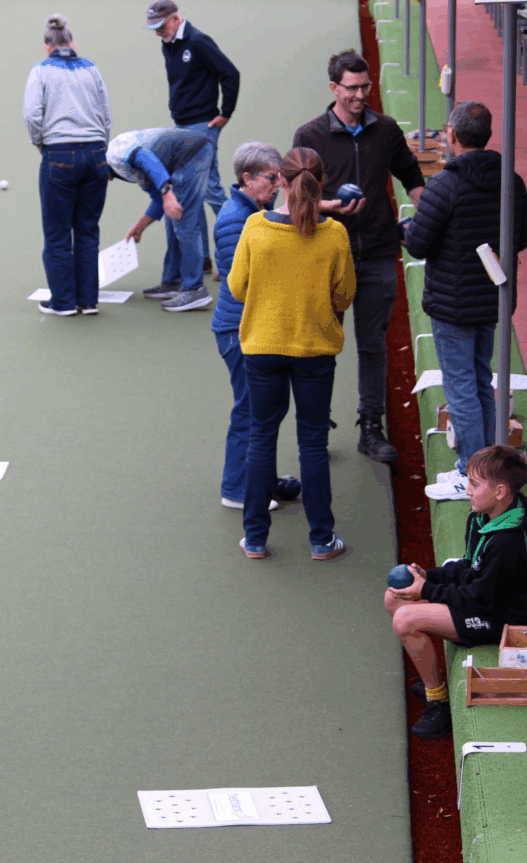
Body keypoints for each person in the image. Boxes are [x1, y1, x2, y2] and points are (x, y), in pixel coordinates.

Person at [293, 49, 424, 464]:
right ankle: (317, 424)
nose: (360, 95)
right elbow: (297, 201)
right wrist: (332, 207)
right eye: (352, 88)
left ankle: (371, 427)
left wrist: (441, 218)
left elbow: (412, 179)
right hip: (327, 259)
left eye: (365, 86)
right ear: (334, 87)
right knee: (321, 347)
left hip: (380, 254)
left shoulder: (385, 130)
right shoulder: (309, 136)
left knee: (372, 346)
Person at [228, 147, 356, 560]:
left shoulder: (255, 226)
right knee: (313, 444)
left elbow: (236, 288)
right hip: (315, 351)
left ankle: (256, 538)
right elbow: (345, 294)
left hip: (263, 348)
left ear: (280, 180)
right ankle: (321, 539)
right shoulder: (334, 234)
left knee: (261, 437)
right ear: (322, 183)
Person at [404, 102, 527, 501]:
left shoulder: (445, 184)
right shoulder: (511, 180)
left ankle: (472, 475)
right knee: (479, 382)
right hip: (492, 299)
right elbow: (520, 236)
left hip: (454, 305)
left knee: (462, 388)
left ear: (452, 136)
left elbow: (419, 243)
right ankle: (487, 468)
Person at [385, 446, 527, 738]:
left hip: (505, 620)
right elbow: (469, 567)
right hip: (484, 600)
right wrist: (429, 576)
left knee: (405, 620)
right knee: (394, 598)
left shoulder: (508, 543)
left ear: (500, 491)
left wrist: (427, 589)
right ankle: (432, 683)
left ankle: (438, 701)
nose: (468, 489)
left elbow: (478, 600)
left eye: (475, 484)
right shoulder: (483, 517)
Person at [212, 141, 299, 511]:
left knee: (266, 408)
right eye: (271, 178)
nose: (277, 185)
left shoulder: (251, 212)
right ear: (247, 178)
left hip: (249, 328)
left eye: (280, 178)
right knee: (250, 411)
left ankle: (259, 477)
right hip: (240, 330)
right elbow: (243, 282)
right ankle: (238, 491)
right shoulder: (236, 220)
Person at [23, 14, 112, 316]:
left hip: (59, 154)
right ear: (72, 44)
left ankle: (63, 302)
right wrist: (102, 149)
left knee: (58, 232)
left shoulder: (40, 70)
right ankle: (88, 301)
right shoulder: (91, 69)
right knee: (87, 229)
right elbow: (106, 115)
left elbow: (32, 115)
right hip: (97, 154)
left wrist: (42, 144)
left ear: (47, 46)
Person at [143, 0, 238, 281]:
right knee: (192, 193)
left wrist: (225, 114)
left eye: (160, 26)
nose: (158, 32)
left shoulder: (198, 42)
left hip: (202, 128)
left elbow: (230, 73)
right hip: (182, 128)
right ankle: (205, 260)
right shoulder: (169, 44)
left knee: (211, 193)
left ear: (175, 19)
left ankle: (234, 259)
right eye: (154, 28)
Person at [106, 126, 214, 311]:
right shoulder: (122, 170)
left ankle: (195, 289)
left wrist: (167, 192)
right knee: (173, 218)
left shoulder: (115, 153)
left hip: (191, 154)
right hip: (186, 156)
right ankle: (173, 282)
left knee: (183, 220)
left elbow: (145, 158)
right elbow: (157, 198)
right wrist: (140, 226)